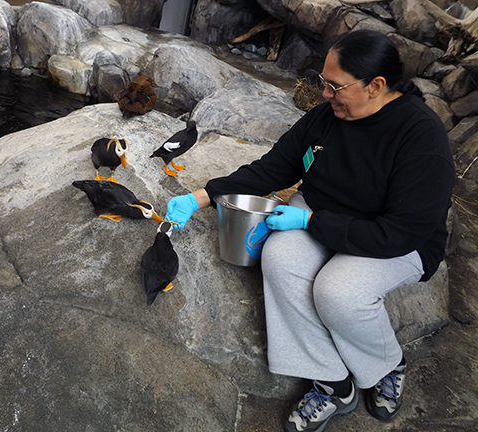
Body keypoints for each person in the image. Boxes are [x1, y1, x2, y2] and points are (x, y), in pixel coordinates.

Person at [165, 29, 455, 432]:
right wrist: (201, 196)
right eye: (323, 83)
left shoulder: (421, 137)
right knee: (279, 257)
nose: (323, 94)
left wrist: (311, 222)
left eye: (334, 86)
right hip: (323, 212)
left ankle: (387, 364)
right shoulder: (328, 117)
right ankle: (333, 383)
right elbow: (274, 168)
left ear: (376, 86)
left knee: (337, 292)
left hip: (394, 238)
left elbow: (399, 233)